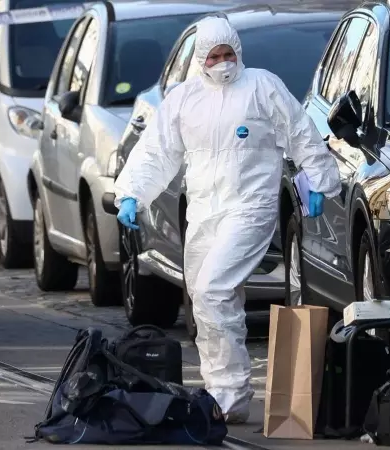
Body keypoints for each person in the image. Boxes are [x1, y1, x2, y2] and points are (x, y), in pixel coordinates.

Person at [113, 17, 340, 423]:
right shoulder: (184, 98)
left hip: (250, 207)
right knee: (205, 298)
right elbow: (157, 151)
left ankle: (230, 394)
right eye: (214, 56)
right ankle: (220, 392)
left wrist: (318, 180)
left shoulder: (261, 86)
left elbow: (301, 133)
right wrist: (132, 193)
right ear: (200, 59)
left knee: (215, 288)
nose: (223, 62)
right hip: (203, 211)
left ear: (239, 51)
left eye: (229, 54)